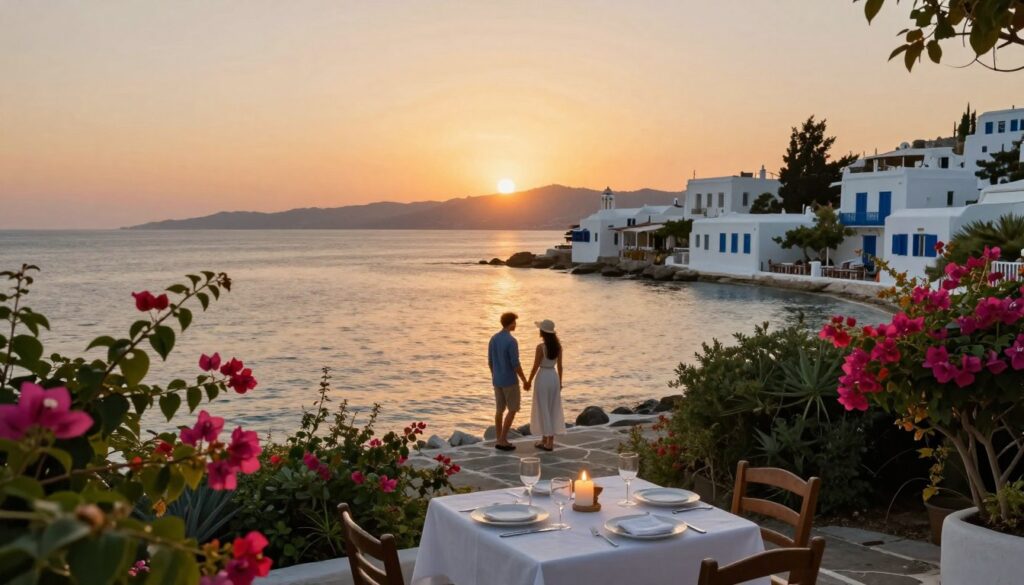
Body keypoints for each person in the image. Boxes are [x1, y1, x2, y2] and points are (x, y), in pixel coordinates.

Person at [488, 312, 529, 451]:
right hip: (510, 381)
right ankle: (503, 439)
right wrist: (524, 380)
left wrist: (495, 375)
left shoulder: (493, 339)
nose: (516, 325)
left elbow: (490, 362)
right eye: (515, 322)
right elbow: (515, 364)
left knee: (499, 410)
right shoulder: (512, 341)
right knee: (512, 409)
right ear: (511, 323)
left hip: (497, 380)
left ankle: (499, 438)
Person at [526, 319, 565, 452]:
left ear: (543, 332)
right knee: (552, 407)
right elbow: (560, 366)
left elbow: (535, 366)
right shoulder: (558, 347)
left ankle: (548, 443)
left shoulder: (541, 347)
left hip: (543, 377)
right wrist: (560, 382)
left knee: (543, 408)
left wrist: (529, 381)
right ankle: (546, 440)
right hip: (553, 377)